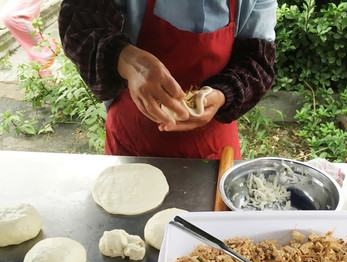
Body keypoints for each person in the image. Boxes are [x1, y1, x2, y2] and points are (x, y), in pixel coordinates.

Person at [58, 0, 277, 160]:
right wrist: (127, 59)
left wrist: (221, 94)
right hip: (132, 142)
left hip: (213, 150)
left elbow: (257, 60)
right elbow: (80, 24)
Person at [1, 0, 56, 69]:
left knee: (35, 50)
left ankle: (42, 75)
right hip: (15, 17)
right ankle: (51, 76)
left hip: (12, 16)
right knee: (44, 51)